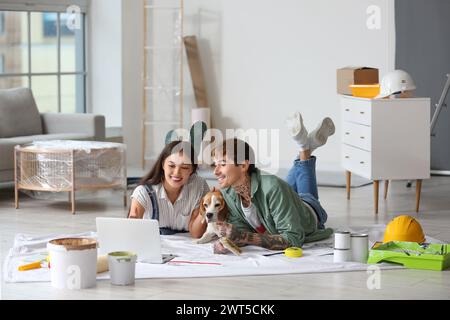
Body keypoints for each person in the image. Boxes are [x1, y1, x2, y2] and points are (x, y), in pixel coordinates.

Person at [210, 113, 335, 253]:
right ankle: (305, 147)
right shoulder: (229, 192)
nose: (215, 171)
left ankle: (304, 148)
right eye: (215, 164)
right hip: (282, 199)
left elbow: (293, 238)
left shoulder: (272, 188)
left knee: (290, 191)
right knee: (281, 188)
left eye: (222, 164)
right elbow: (241, 227)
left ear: (243, 166)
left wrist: (243, 237)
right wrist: (230, 240)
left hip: (310, 210)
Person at [128, 140, 210, 235]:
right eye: (171, 165)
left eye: (184, 167)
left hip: (189, 246)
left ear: (192, 169)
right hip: (156, 246)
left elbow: (197, 233)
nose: (177, 173)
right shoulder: (143, 192)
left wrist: (207, 206)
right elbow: (132, 228)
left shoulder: (199, 186)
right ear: (163, 164)